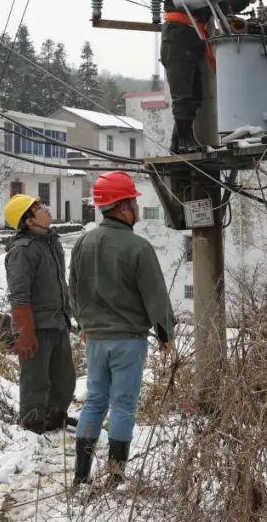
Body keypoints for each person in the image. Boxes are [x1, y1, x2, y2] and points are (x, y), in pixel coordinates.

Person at [68, 172, 177, 487]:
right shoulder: (138, 247)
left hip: (95, 339)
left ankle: (81, 476)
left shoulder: (83, 243)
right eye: (134, 201)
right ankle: (116, 477)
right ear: (124, 206)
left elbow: (73, 290)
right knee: (123, 404)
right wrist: (165, 335)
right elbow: (155, 295)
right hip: (128, 340)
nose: (137, 207)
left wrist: (84, 325)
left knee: (94, 402)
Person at [161, 0, 257, 153]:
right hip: (177, 37)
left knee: (194, 95)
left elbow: (218, 6)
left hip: (193, 37)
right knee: (183, 94)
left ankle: (179, 142)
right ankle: (185, 141)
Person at [3, 193, 76, 434]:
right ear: (29, 221)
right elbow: (19, 295)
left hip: (58, 321)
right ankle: (32, 425)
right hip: (37, 326)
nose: (46, 208)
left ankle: (56, 416)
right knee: (36, 380)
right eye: (39, 208)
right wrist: (24, 331)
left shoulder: (51, 242)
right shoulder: (22, 251)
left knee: (64, 378)